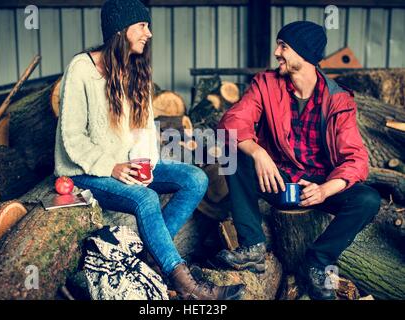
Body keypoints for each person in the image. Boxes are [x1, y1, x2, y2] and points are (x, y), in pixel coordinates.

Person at [54, 0, 245, 300]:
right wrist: (112, 167)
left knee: (195, 178)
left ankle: (152, 259)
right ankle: (186, 284)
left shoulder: (137, 69)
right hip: (86, 173)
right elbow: (72, 137)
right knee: (146, 197)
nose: (149, 33)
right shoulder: (82, 69)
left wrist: (146, 166)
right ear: (120, 30)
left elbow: (144, 129)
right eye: (142, 26)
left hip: (126, 169)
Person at [216, 21, 381, 300]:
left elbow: (355, 158)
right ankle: (253, 246)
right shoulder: (266, 84)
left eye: (284, 46)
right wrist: (259, 153)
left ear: (304, 54)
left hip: (315, 187)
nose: (277, 52)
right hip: (277, 179)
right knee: (233, 152)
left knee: (367, 200)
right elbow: (233, 121)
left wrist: (325, 190)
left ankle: (317, 261)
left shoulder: (338, 100)